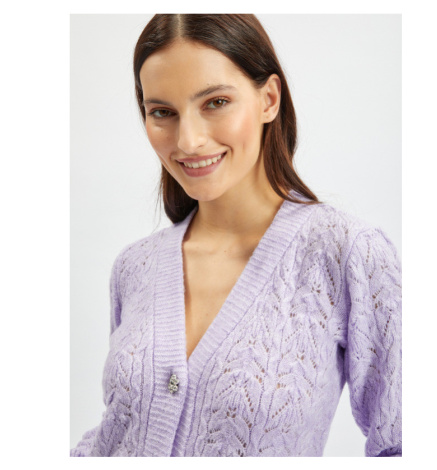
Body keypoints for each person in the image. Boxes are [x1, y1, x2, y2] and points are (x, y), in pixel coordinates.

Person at [70, 14, 402, 457]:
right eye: (162, 112)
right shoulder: (135, 267)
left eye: (216, 102)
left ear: (269, 99)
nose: (188, 141)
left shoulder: (346, 255)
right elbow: (115, 432)